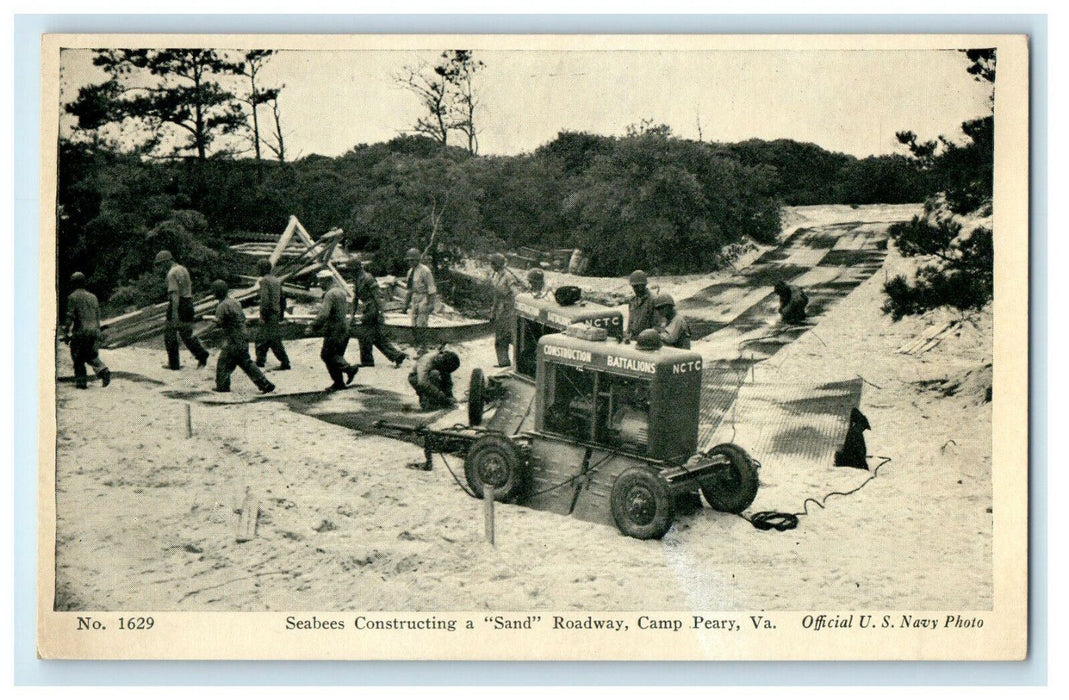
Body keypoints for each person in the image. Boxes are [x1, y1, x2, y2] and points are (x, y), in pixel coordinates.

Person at [209, 279, 275, 394]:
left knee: (223, 362)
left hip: (233, 338)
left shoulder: (222, 306)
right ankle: (265, 384)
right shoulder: (234, 302)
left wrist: (199, 332)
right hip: (243, 335)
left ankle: (223, 386)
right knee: (245, 362)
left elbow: (216, 323)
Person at [155, 250, 209, 370]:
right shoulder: (182, 269)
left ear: (167, 261)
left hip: (179, 304)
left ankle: (174, 364)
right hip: (188, 303)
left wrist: (174, 314)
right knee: (187, 334)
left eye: (161, 264)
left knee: (169, 334)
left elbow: (175, 296)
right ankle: (201, 354)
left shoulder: (171, 274)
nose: (160, 267)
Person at [349, 259, 406, 368]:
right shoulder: (357, 279)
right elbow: (355, 298)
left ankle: (367, 361)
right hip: (368, 308)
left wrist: (380, 312)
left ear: (357, 269)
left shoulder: (368, 278)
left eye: (352, 270)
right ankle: (397, 356)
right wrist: (352, 315)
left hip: (372, 309)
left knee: (364, 334)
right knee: (376, 336)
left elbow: (377, 296)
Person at [308, 270, 359, 391]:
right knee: (336, 355)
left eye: (321, 281)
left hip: (334, 329)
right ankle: (339, 383)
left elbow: (324, 314)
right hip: (343, 327)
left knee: (327, 355)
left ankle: (349, 369)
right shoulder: (341, 291)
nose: (319, 284)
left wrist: (313, 326)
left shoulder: (330, 294)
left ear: (327, 280)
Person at [63, 272, 111, 389]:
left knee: (78, 357)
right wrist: (97, 331)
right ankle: (104, 371)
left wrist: (66, 332)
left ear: (73, 284)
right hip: (93, 330)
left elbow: (70, 316)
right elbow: (97, 315)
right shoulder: (93, 297)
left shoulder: (72, 297)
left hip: (81, 332)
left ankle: (81, 383)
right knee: (91, 355)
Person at [488, 253, 525, 367]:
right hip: (501, 309)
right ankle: (503, 362)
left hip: (510, 311)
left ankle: (519, 364)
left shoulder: (508, 276)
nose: (490, 265)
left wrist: (514, 310)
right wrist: (493, 312)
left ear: (497, 264)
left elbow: (517, 294)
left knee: (512, 337)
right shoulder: (496, 275)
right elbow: (496, 295)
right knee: (500, 337)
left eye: (492, 263)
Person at [254, 258, 290, 371]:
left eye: (258, 268)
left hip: (268, 314)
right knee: (267, 338)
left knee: (267, 339)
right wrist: (281, 314)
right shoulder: (276, 280)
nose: (257, 270)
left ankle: (284, 362)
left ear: (262, 268)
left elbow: (265, 300)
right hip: (275, 313)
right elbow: (283, 299)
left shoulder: (264, 281)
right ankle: (260, 361)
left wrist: (262, 316)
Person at [402, 248, 437, 354]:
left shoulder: (425, 271)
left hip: (424, 298)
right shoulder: (410, 272)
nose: (411, 262)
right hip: (415, 298)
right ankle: (418, 346)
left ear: (418, 259)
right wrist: (406, 305)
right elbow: (409, 290)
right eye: (409, 260)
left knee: (422, 324)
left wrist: (431, 304)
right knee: (414, 324)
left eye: (413, 260)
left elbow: (432, 288)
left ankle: (423, 348)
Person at [626, 269, 657, 341]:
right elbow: (630, 322)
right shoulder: (632, 301)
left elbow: (656, 325)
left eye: (638, 286)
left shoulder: (653, 300)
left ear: (644, 285)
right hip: (633, 339)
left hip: (647, 340)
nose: (636, 289)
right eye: (634, 287)